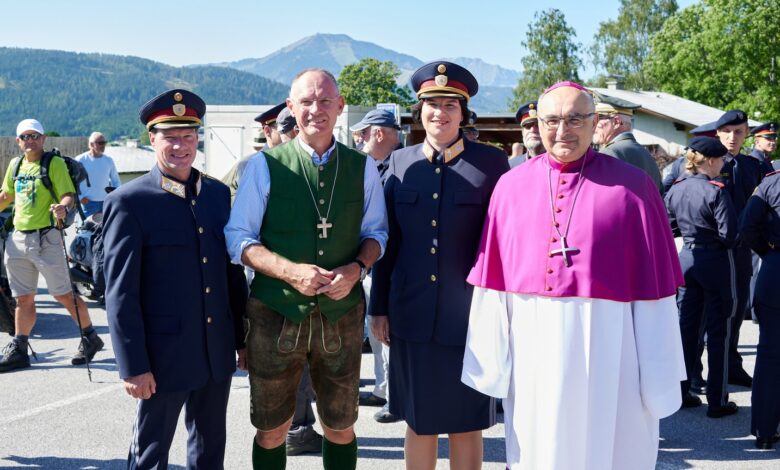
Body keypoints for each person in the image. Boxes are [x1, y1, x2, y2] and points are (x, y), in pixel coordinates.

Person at [461, 81, 685, 470]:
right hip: (533, 347)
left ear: (594, 122)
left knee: (613, 445)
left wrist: (659, 374)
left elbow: (656, 293)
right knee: (538, 445)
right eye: (551, 120)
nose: (562, 130)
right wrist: (490, 365)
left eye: (575, 119)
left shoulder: (633, 188)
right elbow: (492, 285)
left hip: (613, 349)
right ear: (537, 124)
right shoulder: (510, 187)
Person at [225, 68, 388, 470]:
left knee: (341, 426)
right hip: (276, 315)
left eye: (325, 100)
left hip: (341, 315)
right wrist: (288, 271)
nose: (316, 109)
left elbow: (377, 234)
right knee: (272, 428)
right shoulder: (265, 166)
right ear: (291, 107)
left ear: (340, 106)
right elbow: (238, 238)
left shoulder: (362, 167)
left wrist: (357, 268)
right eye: (307, 101)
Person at [369, 61, 508, 469]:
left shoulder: (492, 165)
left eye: (450, 105)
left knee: (468, 423)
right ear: (419, 111)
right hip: (411, 315)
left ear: (463, 114)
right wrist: (379, 307)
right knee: (419, 421)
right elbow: (387, 244)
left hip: (470, 317)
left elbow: (501, 242)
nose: (440, 113)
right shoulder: (399, 163)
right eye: (432, 105)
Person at [102, 89, 247, 469]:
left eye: (188, 136)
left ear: (198, 137)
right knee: (150, 454)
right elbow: (120, 294)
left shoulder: (216, 194)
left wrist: (243, 340)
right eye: (170, 137)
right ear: (152, 139)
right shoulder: (129, 202)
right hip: (161, 359)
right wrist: (133, 364)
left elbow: (231, 272)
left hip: (215, 350)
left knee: (210, 449)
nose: (180, 146)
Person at [0, 119, 104, 373]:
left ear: (43, 138)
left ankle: (90, 337)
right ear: (18, 141)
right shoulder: (15, 166)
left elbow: (68, 194)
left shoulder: (53, 163)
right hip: (18, 238)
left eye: (34, 136)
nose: (30, 140)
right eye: (25, 136)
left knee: (63, 294)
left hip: (46, 237)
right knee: (23, 298)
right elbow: (6, 196)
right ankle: (20, 349)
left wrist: (63, 207)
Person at [664, 136, 739, 417]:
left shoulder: (676, 189)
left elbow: (669, 227)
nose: (722, 164)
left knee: (687, 329)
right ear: (710, 161)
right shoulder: (716, 190)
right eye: (720, 160)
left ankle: (681, 393)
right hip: (715, 260)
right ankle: (717, 401)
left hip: (687, 260)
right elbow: (730, 236)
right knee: (719, 330)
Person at [349, 108, 402, 423]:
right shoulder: (365, 167)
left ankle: (395, 395)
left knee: (386, 331)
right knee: (374, 328)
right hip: (364, 263)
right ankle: (383, 388)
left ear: (378, 133)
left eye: (363, 133)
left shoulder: (402, 166)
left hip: (389, 263)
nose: (360, 140)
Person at [716, 109, 767, 388]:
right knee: (709, 313)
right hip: (714, 249)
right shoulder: (705, 162)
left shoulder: (752, 166)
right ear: (718, 133)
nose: (732, 137)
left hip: (743, 250)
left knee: (736, 311)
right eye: (727, 132)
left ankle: (732, 365)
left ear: (746, 133)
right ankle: (696, 372)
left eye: (738, 132)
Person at [739, 168, 780, 449]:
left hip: (776, 270)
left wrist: (770, 252)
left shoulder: (771, 182)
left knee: (769, 356)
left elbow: (747, 226)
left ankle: (764, 431)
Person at [592, 94, 663, 192]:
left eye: (598, 118)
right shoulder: (646, 155)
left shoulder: (609, 153)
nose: (593, 124)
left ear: (616, 122)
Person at [222, 102, 286, 201]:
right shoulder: (246, 165)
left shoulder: (297, 161)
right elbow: (222, 198)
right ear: (267, 131)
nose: (288, 131)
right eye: (282, 127)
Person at [76, 131, 121, 217]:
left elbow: (116, 181)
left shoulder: (109, 160)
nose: (103, 145)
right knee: (86, 230)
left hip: (106, 203)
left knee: (106, 230)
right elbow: (71, 181)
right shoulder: (80, 160)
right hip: (88, 204)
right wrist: (80, 198)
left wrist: (116, 197)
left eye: (104, 142)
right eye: (100, 143)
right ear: (91, 144)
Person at [509, 101, 545, 168]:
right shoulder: (510, 166)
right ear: (522, 133)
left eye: (538, 125)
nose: (532, 130)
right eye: (527, 126)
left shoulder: (561, 163)